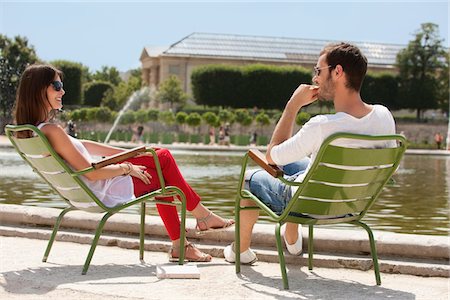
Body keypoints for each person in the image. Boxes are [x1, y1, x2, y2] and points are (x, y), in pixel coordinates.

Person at [13, 64, 234, 262]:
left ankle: (190, 233)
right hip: (104, 189)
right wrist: (127, 167)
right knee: (163, 162)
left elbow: (86, 146)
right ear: (40, 89)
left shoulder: (39, 130)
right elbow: (90, 173)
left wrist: (128, 154)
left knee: (159, 157)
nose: (62, 91)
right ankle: (198, 221)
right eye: (57, 85)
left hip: (94, 188)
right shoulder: (52, 130)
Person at [224, 43, 396, 264]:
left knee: (249, 178)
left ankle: (241, 251)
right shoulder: (383, 115)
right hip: (351, 204)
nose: (315, 79)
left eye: (318, 71)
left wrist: (293, 105)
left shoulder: (322, 126)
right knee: (301, 165)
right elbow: (391, 168)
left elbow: (271, 156)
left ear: (337, 72)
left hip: (310, 205)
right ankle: (292, 235)